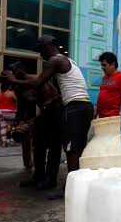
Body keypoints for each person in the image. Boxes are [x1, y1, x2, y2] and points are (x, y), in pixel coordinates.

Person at [5, 35, 94, 200]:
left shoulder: (54, 60)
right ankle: (75, 186)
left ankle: (70, 189)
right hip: (83, 106)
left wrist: (13, 79)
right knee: (76, 149)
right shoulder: (66, 60)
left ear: (47, 46)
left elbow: (38, 82)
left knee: (71, 149)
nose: (40, 55)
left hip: (75, 107)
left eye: (40, 50)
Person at [13, 63, 63, 191]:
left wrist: (34, 121)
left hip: (56, 110)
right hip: (45, 112)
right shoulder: (18, 88)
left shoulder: (37, 80)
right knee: (38, 143)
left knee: (54, 146)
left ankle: (50, 179)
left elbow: (53, 102)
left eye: (31, 93)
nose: (30, 96)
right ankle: (38, 176)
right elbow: (21, 109)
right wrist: (17, 124)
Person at [97, 52, 121, 118]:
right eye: (101, 65)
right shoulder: (104, 77)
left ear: (113, 64)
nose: (102, 67)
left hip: (113, 117)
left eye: (104, 65)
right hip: (101, 116)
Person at [0, 82, 17, 147]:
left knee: (3, 127)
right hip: (10, 111)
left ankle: (4, 142)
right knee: (13, 125)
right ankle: (12, 140)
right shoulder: (11, 93)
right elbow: (17, 100)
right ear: (9, 86)